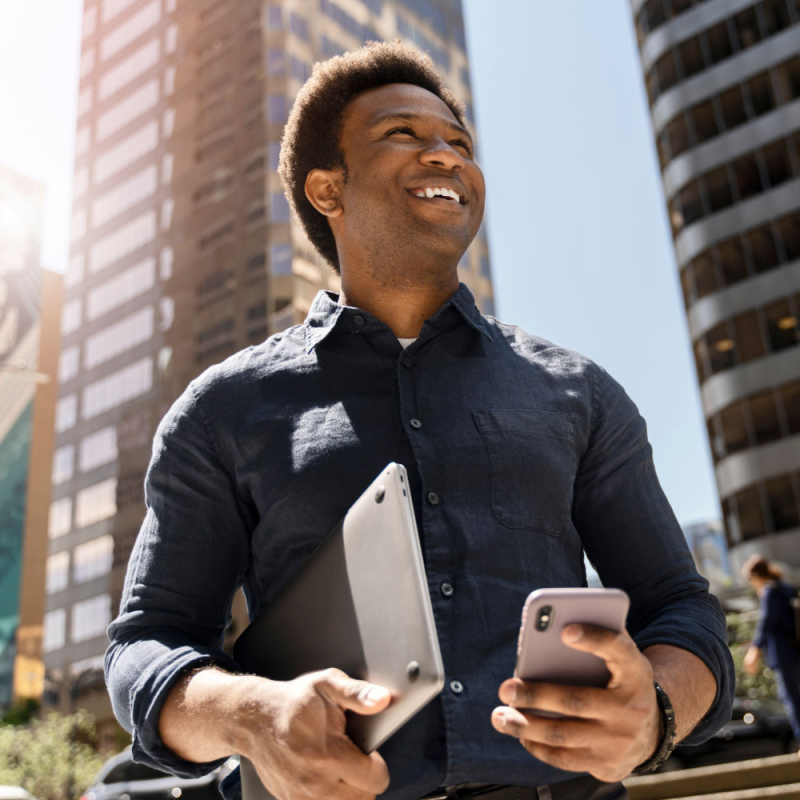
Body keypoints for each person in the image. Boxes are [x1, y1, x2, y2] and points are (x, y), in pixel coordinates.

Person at [105, 42, 734, 800]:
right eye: (403, 134)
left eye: (459, 145)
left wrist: (657, 710)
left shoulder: (581, 394)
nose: (445, 156)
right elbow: (147, 643)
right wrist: (249, 714)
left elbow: (681, 610)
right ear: (327, 190)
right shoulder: (222, 410)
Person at [742, 555, 800, 745]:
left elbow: (765, 623)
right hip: (796, 649)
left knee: (792, 699)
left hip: (784, 655)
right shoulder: (784, 587)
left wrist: (754, 651)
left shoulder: (769, 591)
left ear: (756, 576)